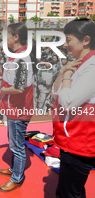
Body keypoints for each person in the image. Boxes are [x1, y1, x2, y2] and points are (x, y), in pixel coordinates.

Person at [52, 19, 95, 198]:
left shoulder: (91, 67)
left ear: (85, 40)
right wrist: (63, 73)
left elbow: (68, 102)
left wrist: (67, 77)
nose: (66, 44)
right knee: (72, 191)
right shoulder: (80, 64)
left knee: (68, 194)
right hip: (70, 140)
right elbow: (55, 94)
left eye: (69, 40)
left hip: (79, 142)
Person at [0, 23, 35, 192]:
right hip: (13, 107)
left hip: (19, 109)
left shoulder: (22, 58)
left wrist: (2, 90)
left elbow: (19, 88)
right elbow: (6, 76)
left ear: (16, 37)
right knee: (13, 143)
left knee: (17, 146)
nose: (5, 40)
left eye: (7, 36)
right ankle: (14, 170)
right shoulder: (15, 56)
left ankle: (17, 178)